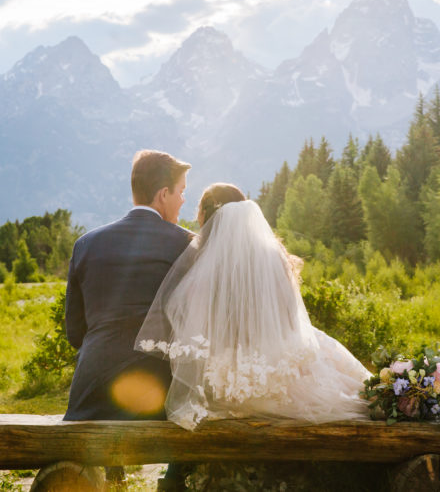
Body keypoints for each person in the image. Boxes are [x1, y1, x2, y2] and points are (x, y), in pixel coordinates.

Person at [135, 183, 370, 430]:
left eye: (198, 211)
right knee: (338, 373)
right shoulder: (274, 256)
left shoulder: (203, 266)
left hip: (227, 385)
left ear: (207, 215)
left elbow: (194, 330)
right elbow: (291, 320)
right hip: (279, 374)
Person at [63, 149, 194, 421]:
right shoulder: (187, 245)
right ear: (163, 194)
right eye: (181, 192)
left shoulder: (85, 244)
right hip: (155, 397)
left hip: (89, 396)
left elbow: (75, 333)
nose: (183, 201)